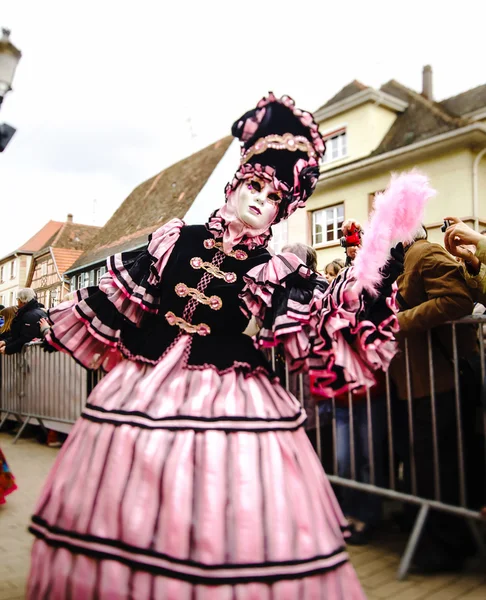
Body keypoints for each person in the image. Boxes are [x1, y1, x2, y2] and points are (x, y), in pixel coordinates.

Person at [27, 93, 421, 599]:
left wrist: (374, 273)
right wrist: (44, 326)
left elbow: (319, 317)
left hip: (230, 389)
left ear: (281, 210)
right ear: (234, 185)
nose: (259, 199)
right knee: (126, 491)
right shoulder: (175, 240)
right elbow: (119, 298)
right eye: (253, 186)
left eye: (273, 197)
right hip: (142, 383)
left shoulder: (272, 269)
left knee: (223, 495)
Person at [389, 224, 479, 573]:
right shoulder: (408, 259)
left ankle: (446, 545)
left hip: (440, 377)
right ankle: (439, 536)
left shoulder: (423, 253)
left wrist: (398, 322)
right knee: (429, 463)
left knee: (440, 466)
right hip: (422, 379)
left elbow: (457, 300)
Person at [0, 289, 47, 355]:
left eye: (18, 300)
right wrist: (6, 341)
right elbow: (20, 335)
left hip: (31, 355)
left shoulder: (29, 315)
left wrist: (8, 349)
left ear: (22, 300)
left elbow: (25, 338)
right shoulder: (40, 312)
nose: (18, 303)